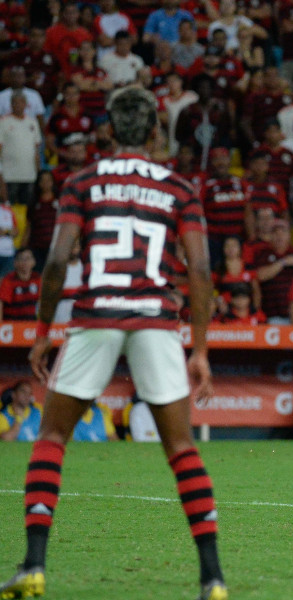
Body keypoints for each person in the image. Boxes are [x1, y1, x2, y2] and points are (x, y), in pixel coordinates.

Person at [0, 88, 227, 600]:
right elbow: (201, 270)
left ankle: (33, 566)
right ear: (153, 133)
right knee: (182, 448)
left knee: (53, 436)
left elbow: (56, 262)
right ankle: (212, 579)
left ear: (108, 131)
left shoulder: (83, 181)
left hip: (96, 313)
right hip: (154, 317)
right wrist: (201, 349)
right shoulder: (179, 187)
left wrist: (41, 333)